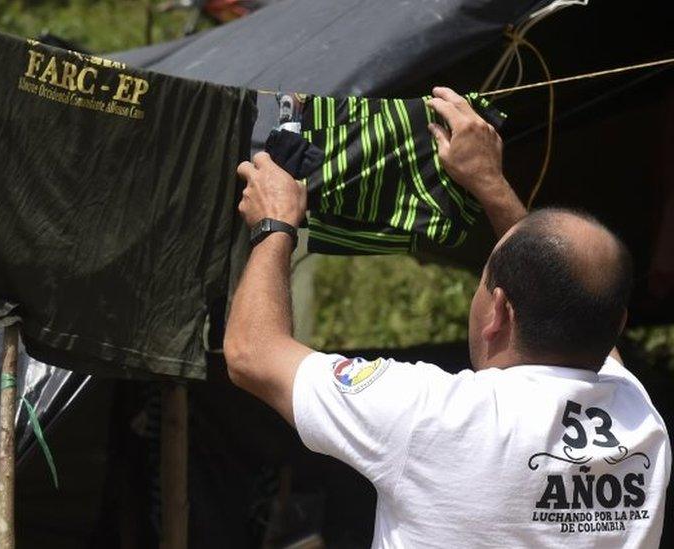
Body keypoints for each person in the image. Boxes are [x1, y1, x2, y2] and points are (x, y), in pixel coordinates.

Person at [224, 87, 671, 547]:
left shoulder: (435, 414)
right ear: (615, 325)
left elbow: (251, 354)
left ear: (498, 311)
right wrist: (490, 185)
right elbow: (573, 298)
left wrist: (274, 224)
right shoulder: (638, 419)